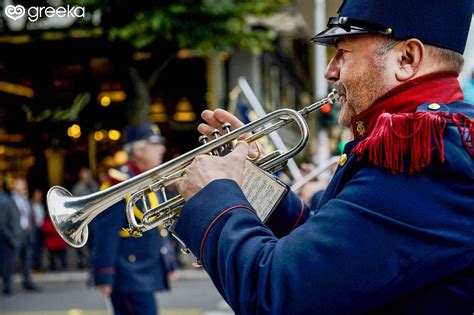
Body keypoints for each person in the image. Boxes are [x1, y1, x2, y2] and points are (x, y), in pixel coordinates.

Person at [173, 0, 474, 313]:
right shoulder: (427, 140)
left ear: (407, 59)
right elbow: (330, 252)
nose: (330, 71)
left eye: (342, 53)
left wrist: (215, 196)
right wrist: (246, 180)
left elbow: (277, 295)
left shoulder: (425, 150)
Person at [91, 122, 177, 315]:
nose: (161, 149)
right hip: (127, 274)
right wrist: (104, 275)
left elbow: (157, 224)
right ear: (137, 150)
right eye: (154, 144)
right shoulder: (117, 183)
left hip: (142, 271)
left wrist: (168, 261)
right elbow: (106, 233)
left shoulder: (148, 179)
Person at [10, 178, 39, 291]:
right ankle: (8, 285)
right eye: (21, 186)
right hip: (16, 235)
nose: (23, 188)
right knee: (12, 261)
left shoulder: (27, 200)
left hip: (27, 234)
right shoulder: (9, 201)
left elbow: (29, 216)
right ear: (15, 187)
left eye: (24, 186)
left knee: (27, 260)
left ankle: (27, 282)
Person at [72, 167, 99, 269]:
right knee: (82, 242)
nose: (87, 178)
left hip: (94, 218)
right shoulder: (77, 188)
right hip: (83, 219)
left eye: (88, 176)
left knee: (93, 242)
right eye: (85, 177)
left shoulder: (94, 185)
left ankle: (92, 260)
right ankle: (82, 261)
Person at [0, 176, 22, 295]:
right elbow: (3, 224)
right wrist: (11, 238)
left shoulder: (21, 200)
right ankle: (6, 285)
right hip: (10, 239)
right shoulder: (6, 202)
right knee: (7, 263)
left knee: (12, 263)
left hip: (18, 237)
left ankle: (9, 284)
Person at [31, 188, 46, 271]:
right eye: (38, 195)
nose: (39, 197)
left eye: (40, 195)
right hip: (34, 229)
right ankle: (34, 266)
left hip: (41, 229)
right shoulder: (31, 205)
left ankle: (38, 265)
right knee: (34, 247)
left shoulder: (41, 205)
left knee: (40, 247)